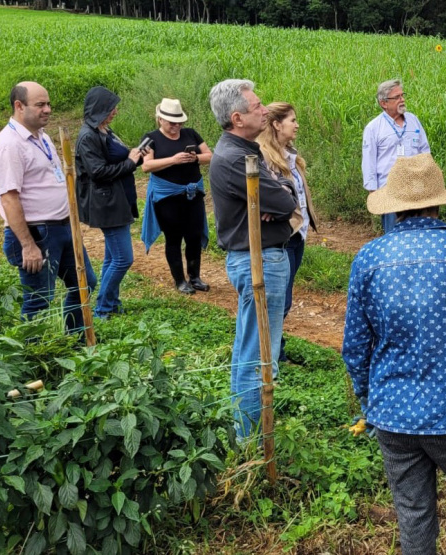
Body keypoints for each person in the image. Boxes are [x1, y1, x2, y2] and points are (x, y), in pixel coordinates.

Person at [343, 153, 446, 555]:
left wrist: (371, 401)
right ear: (439, 201)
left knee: (414, 515)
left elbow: (354, 348)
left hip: (394, 416)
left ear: (395, 205)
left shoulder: (369, 258)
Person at [208, 79, 298, 440]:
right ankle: (250, 441)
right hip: (258, 260)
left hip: (261, 257)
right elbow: (288, 202)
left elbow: (283, 194)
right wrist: (279, 198)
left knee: (254, 349)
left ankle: (249, 435)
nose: (264, 111)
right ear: (237, 117)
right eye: (257, 106)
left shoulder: (243, 151)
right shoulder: (234, 159)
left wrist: (279, 195)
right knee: (259, 356)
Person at [0, 81, 97, 334]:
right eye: (40, 105)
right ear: (19, 106)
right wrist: (28, 245)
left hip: (62, 227)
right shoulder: (8, 145)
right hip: (37, 233)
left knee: (84, 283)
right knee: (39, 300)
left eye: (48, 104)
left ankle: (76, 340)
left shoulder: (42, 137)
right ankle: (32, 356)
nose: (47, 109)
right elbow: (9, 199)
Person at [258, 102, 318, 363]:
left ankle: (274, 353)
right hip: (282, 235)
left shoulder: (288, 154)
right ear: (276, 124)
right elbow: (266, 196)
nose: (297, 125)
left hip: (297, 233)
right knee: (278, 299)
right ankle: (271, 357)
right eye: (292, 120)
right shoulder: (263, 157)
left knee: (284, 296)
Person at [75, 86, 142, 319]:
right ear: (100, 110)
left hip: (117, 200)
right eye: (111, 108)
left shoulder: (104, 130)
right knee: (124, 258)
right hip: (106, 204)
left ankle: (111, 303)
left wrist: (136, 156)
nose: (115, 111)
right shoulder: (88, 137)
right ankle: (103, 307)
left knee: (113, 257)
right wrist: (131, 162)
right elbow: (98, 171)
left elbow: (116, 159)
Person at [140, 98, 213, 294]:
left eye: (179, 122)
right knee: (174, 238)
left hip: (193, 194)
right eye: (172, 122)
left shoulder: (191, 134)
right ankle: (180, 280)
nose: (177, 126)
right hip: (167, 198)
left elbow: (210, 156)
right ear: (160, 119)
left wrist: (195, 157)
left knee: (194, 236)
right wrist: (173, 160)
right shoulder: (150, 138)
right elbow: (146, 166)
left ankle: (195, 277)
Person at [362, 79, 430, 233]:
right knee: (394, 234)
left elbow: (425, 150)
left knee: (416, 231)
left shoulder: (414, 121)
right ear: (383, 103)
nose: (402, 99)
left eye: (402, 95)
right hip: (389, 190)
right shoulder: (373, 128)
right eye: (397, 97)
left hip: (415, 188)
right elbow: (369, 162)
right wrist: (373, 193)